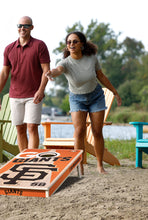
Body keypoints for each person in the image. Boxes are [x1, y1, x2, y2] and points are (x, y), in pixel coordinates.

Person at [45, 31, 122, 174]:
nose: (71, 44)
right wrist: (51, 73)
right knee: (79, 131)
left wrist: (114, 92)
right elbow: (58, 70)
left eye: (75, 41)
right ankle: (79, 166)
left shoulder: (92, 58)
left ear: (82, 44)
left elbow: (101, 76)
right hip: (77, 99)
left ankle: (100, 166)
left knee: (97, 131)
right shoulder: (65, 63)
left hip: (96, 97)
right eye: (69, 42)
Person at [0, 16, 50, 153]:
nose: (22, 28)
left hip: (34, 94)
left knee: (31, 126)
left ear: (32, 27)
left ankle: (31, 159)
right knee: (19, 128)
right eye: (20, 25)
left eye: (25, 25)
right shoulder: (9, 48)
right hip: (15, 95)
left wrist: (41, 90)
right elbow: (4, 73)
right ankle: (24, 159)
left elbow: (46, 71)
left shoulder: (39, 45)